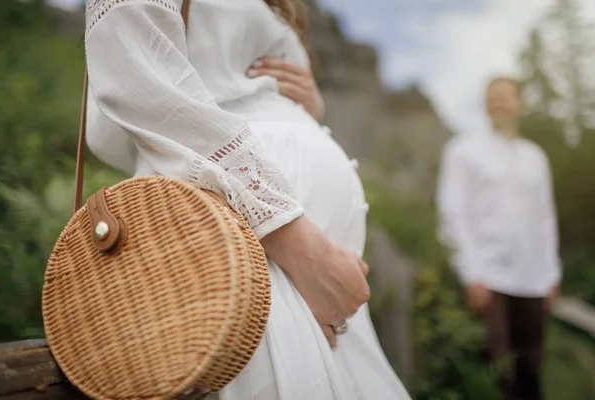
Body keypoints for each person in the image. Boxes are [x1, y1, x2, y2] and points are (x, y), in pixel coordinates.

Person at [84, 0, 411, 399]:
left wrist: (302, 108)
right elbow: (132, 74)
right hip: (242, 226)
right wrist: (294, 241)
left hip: (284, 234)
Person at [436, 76, 562, 400]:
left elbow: (545, 218)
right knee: (496, 373)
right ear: (484, 105)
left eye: (506, 97)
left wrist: (552, 274)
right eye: (492, 97)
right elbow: (452, 213)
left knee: (531, 371)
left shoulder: (536, 156)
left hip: (533, 278)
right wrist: (470, 273)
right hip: (488, 278)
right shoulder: (463, 150)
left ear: (520, 104)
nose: (499, 103)